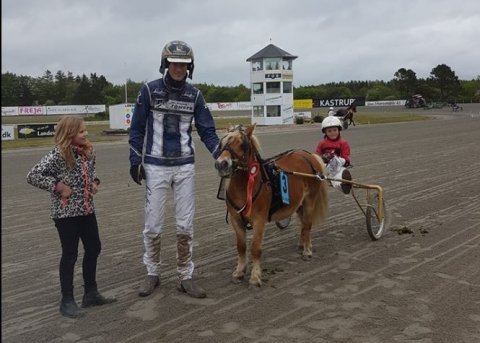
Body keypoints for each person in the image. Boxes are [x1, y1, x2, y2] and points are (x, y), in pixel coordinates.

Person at [128, 40, 220, 299]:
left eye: (184, 64)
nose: (179, 68)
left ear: (190, 67)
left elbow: (207, 131)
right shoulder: (148, 90)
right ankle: (152, 272)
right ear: (165, 64)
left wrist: (220, 154)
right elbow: (136, 130)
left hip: (184, 167)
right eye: (174, 63)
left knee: (185, 224)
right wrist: (135, 161)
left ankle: (185, 275)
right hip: (156, 166)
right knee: (153, 224)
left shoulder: (196, 95)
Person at [26, 116, 116, 318]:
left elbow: (91, 174)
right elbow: (32, 175)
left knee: (94, 248)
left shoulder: (89, 152)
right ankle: (67, 300)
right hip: (65, 213)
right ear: (69, 134)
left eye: (86, 130)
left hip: (86, 209)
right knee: (70, 254)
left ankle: (90, 294)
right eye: (81, 131)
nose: (86, 134)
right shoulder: (58, 154)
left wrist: (94, 183)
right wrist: (58, 187)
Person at [315, 116, 352, 194]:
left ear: (339, 130)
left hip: (338, 167)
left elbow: (347, 160)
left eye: (335, 130)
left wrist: (336, 159)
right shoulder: (322, 143)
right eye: (329, 131)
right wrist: (322, 158)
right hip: (324, 167)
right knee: (317, 172)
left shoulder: (343, 143)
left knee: (338, 174)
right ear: (325, 132)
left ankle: (343, 184)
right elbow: (317, 156)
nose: (332, 133)